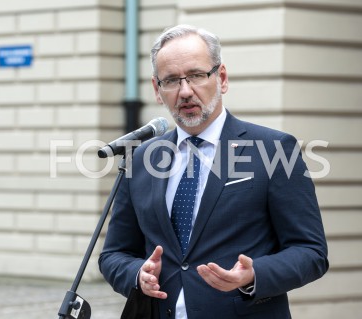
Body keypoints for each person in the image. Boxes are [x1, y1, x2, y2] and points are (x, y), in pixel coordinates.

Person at [99, 24, 328, 319]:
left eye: (196, 75)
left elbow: (311, 252)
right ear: (158, 90)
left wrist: (253, 275)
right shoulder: (142, 158)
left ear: (221, 78)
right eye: (171, 80)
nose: (185, 91)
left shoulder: (273, 149)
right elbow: (113, 254)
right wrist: (137, 274)